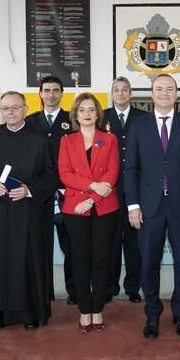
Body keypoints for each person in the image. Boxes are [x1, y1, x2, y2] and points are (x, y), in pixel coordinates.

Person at [125, 74, 180, 338]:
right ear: (151, 94)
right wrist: (133, 205)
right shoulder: (138, 125)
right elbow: (131, 169)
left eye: (169, 89)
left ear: (176, 94)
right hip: (149, 207)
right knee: (149, 263)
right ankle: (152, 315)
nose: (164, 93)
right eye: (159, 89)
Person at [0, 91, 59, 330]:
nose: (11, 112)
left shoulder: (39, 140)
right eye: (6, 108)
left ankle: (29, 315)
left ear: (25, 109)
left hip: (28, 214)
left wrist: (29, 189)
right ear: (0, 111)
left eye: (16, 107)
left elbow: (51, 175)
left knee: (27, 262)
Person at [59, 93, 120, 331]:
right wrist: (92, 186)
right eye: (82, 109)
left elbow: (112, 173)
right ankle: (84, 309)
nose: (87, 113)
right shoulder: (66, 140)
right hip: (75, 208)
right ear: (75, 114)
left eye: (91, 109)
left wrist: (92, 199)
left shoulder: (110, 139)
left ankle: (97, 308)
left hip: (105, 208)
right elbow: (65, 174)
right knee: (80, 260)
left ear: (98, 114)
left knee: (101, 260)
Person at [26, 75, 76, 304]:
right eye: (47, 90)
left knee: (71, 246)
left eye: (56, 90)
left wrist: (62, 185)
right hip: (38, 195)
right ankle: (43, 292)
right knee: (40, 245)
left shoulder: (72, 120)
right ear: (40, 94)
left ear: (61, 93)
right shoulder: (30, 121)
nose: (51, 94)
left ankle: (74, 291)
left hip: (67, 193)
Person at [103, 77, 145, 303]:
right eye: (116, 89)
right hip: (109, 189)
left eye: (124, 89)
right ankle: (110, 286)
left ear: (131, 93)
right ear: (112, 93)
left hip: (137, 188)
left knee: (134, 243)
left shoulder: (142, 118)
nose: (120, 93)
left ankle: (132, 287)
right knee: (110, 242)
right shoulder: (103, 117)